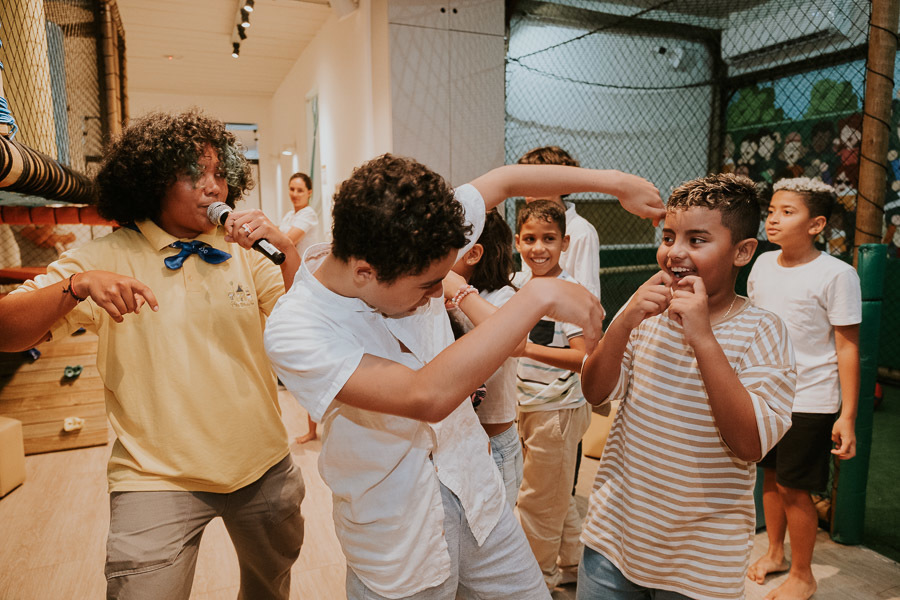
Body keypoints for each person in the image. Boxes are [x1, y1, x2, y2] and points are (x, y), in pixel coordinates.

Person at [264, 153, 664, 600]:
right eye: (429, 283)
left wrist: (614, 181)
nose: (444, 290)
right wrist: (537, 296)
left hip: (477, 495)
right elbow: (425, 393)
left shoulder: (419, 226)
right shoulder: (297, 327)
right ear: (365, 272)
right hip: (398, 534)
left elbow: (505, 179)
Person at [0, 109, 305, 600]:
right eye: (193, 174)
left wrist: (286, 248)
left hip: (262, 466)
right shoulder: (102, 256)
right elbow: (7, 330)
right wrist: (76, 286)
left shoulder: (246, 253)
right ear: (151, 182)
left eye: (220, 174)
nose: (213, 188)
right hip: (154, 477)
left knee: (269, 589)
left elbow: (310, 328)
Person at [577, 173, 796, 600]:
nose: (675, 251)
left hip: (700, 560)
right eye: (669, 236)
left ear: (743, 251)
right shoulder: (646, 315)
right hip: (613, 538)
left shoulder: (763, 332)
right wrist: (623, 321)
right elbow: (595, 391)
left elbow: (750, 444)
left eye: (697, 240)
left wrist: (703, 338)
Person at [746, 177, 861, 600]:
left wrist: (846, 415)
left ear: (816, 225)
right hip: (765, 394)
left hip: (810, 399)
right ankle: (774, 553)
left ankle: (803, 574)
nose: (773, 219)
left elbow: (848, 347)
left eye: (787, 212)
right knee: (771, 479)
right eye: (772, 211)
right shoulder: (760, 264)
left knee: (797, 487)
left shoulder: (838, 273)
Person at [512, 200, 591, 590]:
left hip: (557, 409)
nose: (538, 248)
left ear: (566, 243)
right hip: (527, 404)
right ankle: (576, 564)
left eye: (549, 239)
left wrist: (524, 349)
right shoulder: (518, 284)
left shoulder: (568, 293)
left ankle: (537, 583)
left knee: (538, 502)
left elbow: (583, 358)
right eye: (530, 238)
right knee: (555, 490)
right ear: (517, 241)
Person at [446, 209, 524, 507]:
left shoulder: (501, 296)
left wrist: (458, 291)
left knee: (495, 540)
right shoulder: (435, 297)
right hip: (454, 443)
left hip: (493, 441)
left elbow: (514, 341)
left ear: (473, 253)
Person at [517, 146, 602, 299]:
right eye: (524, 185)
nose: (528, 195)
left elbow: (589, 295)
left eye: (535, 184)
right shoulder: (528, 226)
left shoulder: (581, 231)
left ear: (559, 183)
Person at [278, 171, 322, 444]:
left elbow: (285, 242)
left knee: (312, 356)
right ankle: (312, 428)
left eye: (299, 190)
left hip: (309, 288)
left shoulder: (308, 216)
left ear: (309, 193)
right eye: (291, 189)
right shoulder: (288, 216)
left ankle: (314, 428)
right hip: (293, 286)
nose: (295, 194)